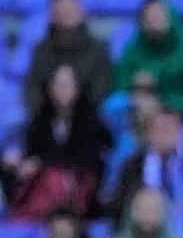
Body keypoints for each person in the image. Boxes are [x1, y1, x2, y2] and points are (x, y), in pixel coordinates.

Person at [8, 63, 111, 221]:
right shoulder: (39, 121)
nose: (63, 90)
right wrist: (22, 162)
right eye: (58, 84)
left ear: (77, 88)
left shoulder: (91, 121)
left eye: (67, 84)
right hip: (42, 190)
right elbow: (31, 154)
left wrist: (43, 163)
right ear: (50, 88)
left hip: (81, 192)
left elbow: (91, 160)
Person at [112, 107, 183, 238]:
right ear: (148, 134)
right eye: (159, 129)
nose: (165, 135)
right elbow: (119, 206)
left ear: (181, 132)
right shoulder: (133, 167)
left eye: (170, 129)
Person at [22, 0, 113, 117]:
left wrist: (74, 113)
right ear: (51, 15)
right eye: (61, 10)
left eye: (70, 9)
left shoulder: (99, 49)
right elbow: (33, 88)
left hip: (88, 117)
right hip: (46, 116)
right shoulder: (41, 50)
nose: (66, 14)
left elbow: (101, 89)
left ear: (82, 11)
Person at [113, 0, 183, 119]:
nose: (153, 20)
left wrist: (161, 95)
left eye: (158, 15)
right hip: (137, 111)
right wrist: (134, 85)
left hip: (178, 114)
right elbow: (121, 83)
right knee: (115, 104)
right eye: (149, 17)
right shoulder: (133, 50)